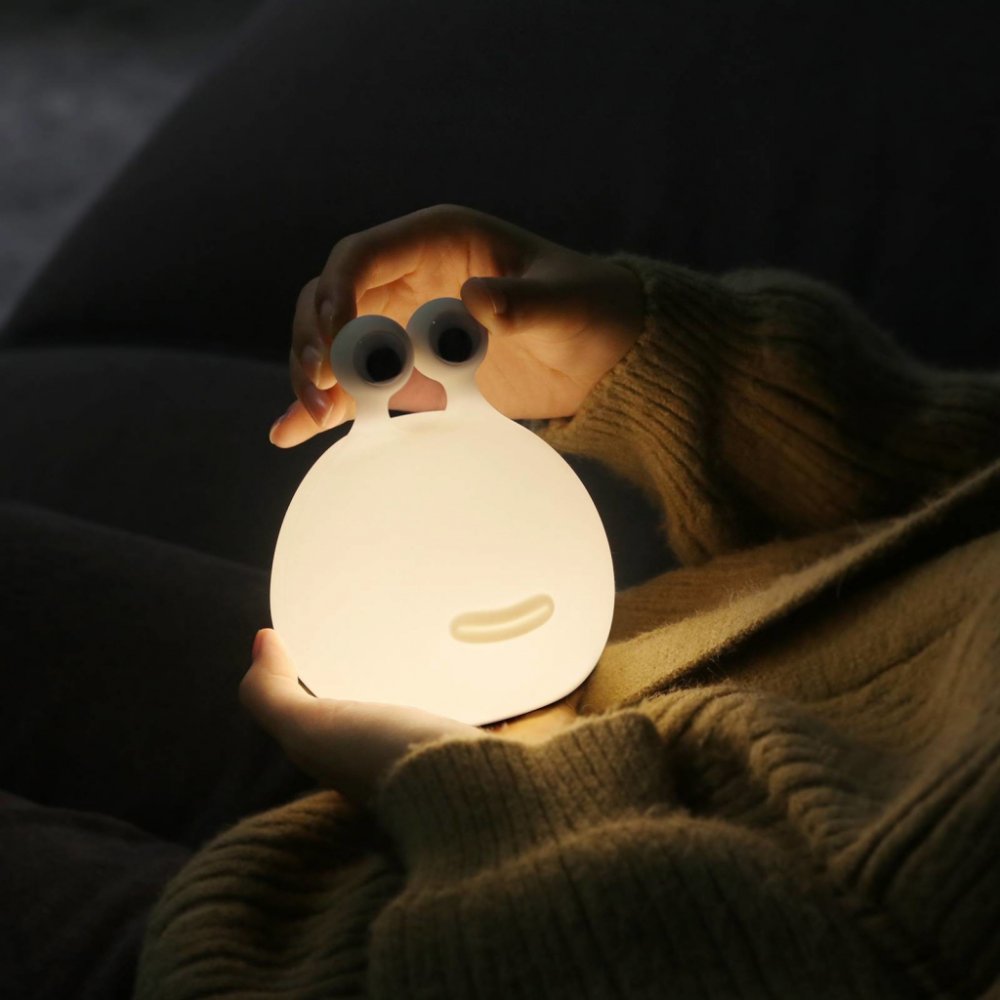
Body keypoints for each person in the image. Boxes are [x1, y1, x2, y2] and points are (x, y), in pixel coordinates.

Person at [125, 205, 997, 998]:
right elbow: (956, 496)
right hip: (411, 777)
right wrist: (664, 363)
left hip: (447, 915)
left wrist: (498, 804)